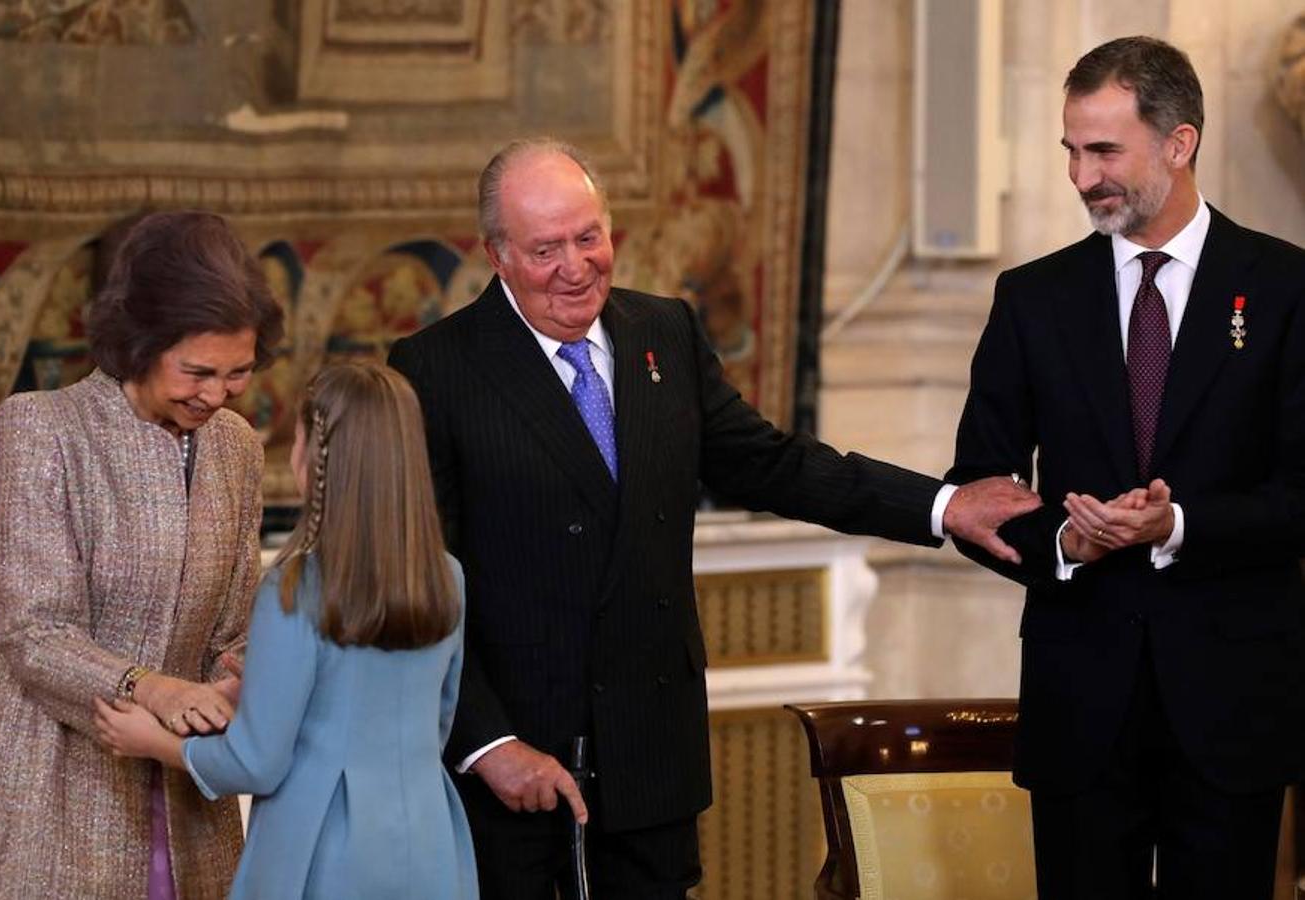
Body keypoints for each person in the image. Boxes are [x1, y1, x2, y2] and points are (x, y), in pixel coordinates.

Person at [387, 138, 1040, 898]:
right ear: (496, 255)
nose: (576, 266)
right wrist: (487, 743)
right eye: (545, 249)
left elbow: (775, 463)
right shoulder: (435, 368)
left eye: (589, 237)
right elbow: (421, 584)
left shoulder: (661, 332)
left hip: (651, 766)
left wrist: (943, 505)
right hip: (519, 773)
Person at [947, 36, 1305, 899]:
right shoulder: (1032, 298)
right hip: (1082, 707)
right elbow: (977, 492)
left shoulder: (1287, 288)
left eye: (1104, 150)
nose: (1081, 176)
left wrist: (1176, 526)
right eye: (1071, 150)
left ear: (1179, 143)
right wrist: (1068, 538)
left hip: (1231, 710)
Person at [0, 210, 284, 899]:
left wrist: (236, 677)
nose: (216, 394)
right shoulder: (42, 430)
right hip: (55, 781)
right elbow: (34, 633)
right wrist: (154, 688)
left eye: (238, 373)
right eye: (197, 371)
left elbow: (233, 623)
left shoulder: (236, 447)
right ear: (139, 343)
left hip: (185, 785)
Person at [95, 361, 479, 899]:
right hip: (432, 835)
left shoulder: (295, 587)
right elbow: (433, 720)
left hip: (323, 842)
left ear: (311, 458)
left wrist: (154, 742)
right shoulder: (448, 577)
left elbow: (256, 762)